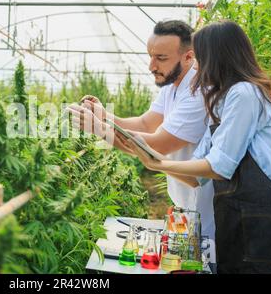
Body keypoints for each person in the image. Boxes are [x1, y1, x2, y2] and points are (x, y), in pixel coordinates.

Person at [121, 20, 271, 274]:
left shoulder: (245, 94)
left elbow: (220, 166)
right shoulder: (220, 100)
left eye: (199, 58)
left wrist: (158, 162)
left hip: (261, 214)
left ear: (217, 57)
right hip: (235, 211)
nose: (195, 66)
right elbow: (198, 176)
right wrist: (152, 159)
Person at [68, 20, 217, 265]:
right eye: (150, 56)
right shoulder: (172, 86)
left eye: (160, 58)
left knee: (202, 266)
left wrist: (97, 127)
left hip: (207, 211)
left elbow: (155, 146)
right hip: (186, 204)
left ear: (189, 56)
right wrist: (104, 115)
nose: (151, 66)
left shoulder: (198, 92)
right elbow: (145, 124)